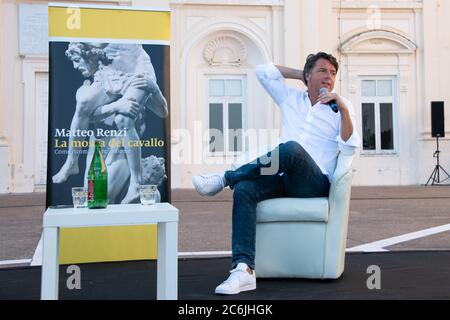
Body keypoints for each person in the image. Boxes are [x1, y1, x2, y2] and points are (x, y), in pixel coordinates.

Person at [192, 52, 360, 295]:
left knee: (291, 148)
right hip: (285, 179)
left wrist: (342, 108)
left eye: (333, 74)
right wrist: (299, 75)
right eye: (323, 71)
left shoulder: (340, 107)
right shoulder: (290, 98)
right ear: (309, 75)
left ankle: (225, 178)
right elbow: (263, 71)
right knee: (246, 190)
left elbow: (349, 145)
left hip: (314, 183)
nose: (329, 77)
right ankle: (244, 269)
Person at [52, 42, 168, 204]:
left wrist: (154, 89)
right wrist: (117, 105)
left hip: (121, 151)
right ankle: (71, 162)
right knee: (91, 200)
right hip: (99, 150)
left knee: (123, 118)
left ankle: (136, 183)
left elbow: (163, 112)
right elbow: (90, 116)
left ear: (91, 55)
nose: (75, 66)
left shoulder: (136, 80)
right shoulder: (87, 88)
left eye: (78, 60)